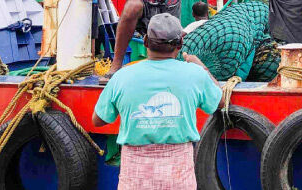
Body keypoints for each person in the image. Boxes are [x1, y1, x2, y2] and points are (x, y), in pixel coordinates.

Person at [93, 13, 223, 190]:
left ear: (145, 41)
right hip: (178, 178)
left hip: (135, 179)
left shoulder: (122, 76)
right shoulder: (195, 74)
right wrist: (201, 66)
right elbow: (220, 102)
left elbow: (98, 120)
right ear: (180, 44)